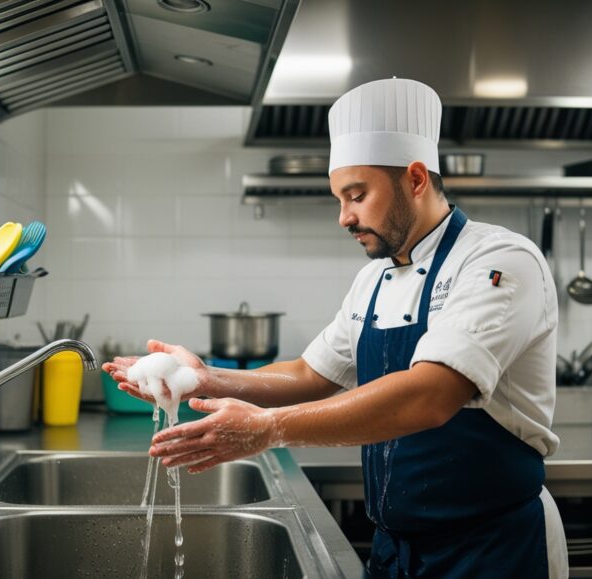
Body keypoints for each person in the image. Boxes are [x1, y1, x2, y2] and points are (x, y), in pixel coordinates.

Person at [103, 78, 568, 579]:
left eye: (356, 195)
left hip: (491, 552)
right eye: (339, 198)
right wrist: (203, 379)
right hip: (395, 551)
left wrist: (270, 429)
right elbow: (311, 373)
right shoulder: (374, 278)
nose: (343, 217)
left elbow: (429, 396)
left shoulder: (498, 260)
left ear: (415, 179)